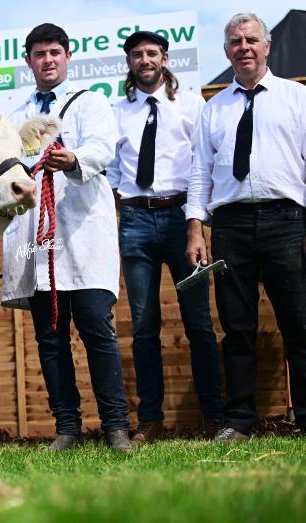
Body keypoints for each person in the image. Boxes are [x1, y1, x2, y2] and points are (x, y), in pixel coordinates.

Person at [2, 23, 131, 451]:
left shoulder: (90, 102)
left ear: (68, 56)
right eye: (40, 54)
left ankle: (115, 426)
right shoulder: (13, 111)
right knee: (50, 338)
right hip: (36, 238)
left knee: (97, 328)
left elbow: (103, 148)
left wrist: (73, 157)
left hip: (84, 232)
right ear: (29, 61)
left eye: (56, 52)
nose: (49, 59)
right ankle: (67, 428)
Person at [185, 13, 306, 440]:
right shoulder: (213, 109)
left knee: (300, 321)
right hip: (231, 226)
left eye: (252, 39)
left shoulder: (297, 98)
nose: (244, 47)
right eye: (235, 41)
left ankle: (305, 416)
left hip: (287, 221)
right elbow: (199, 173)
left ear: (267, 46)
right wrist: (196, 229)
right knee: (236, 327)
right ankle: (239, 421)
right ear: (226, 51)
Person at [106, 31, 224, 444]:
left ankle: (215, 417)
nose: (144, 60)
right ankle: (150, 420)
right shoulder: (116, 110)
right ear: (129, 62)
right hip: (136, 222)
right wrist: (122, 211)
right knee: (142, 327)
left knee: (199, 324)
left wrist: (196, 226)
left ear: (165, 57)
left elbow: (202, 167)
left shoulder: (193, 104)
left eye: (151, 53)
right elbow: (112, 171)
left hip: (181, 220)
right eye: (136, 55)